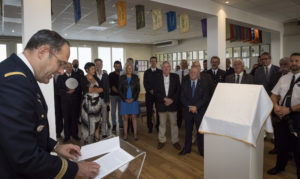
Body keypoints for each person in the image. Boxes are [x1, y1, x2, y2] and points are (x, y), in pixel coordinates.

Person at [0, 29, 99, 178]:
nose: (61, 71)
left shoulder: (22, 74)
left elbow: (30, 129)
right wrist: (76, 169)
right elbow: (24, 157)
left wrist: (55, 146)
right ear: (43, 52)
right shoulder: (14, 81)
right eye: (60, 63)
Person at [267, 53, 300, 178]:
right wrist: (275, 106)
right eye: (292, 61)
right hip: (281, 115)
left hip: (297, 116)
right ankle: (279, 167)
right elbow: (274, 94)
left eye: (297, 61)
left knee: (297, 147)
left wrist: (290, 109)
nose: (294, 63)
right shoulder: (284, 78)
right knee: (281, 144)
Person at [179, 66, 209, 156]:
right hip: (188, 111)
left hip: (199, 111)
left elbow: (205, 98)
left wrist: (196, 107)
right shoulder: (184, 83)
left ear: (198, 73)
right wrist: (190, 107)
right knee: (188, 131)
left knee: (200, 132)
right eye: (191, 72)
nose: (192, 74)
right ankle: (187, 149)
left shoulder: (204, 83)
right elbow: (182, 97)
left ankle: (202, 151)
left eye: (195, 72)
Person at [155, 61, 181, 151]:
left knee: (174, 124)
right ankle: (161, 140)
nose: (166, 68)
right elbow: (156, 92)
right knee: (162, 124)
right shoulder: (157, 78)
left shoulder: (175, 77)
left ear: (170, 68)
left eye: (168, 67)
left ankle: (175, 141)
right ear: (162, 68)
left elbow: (178, 90)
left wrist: (172, 100)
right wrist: (164, 99)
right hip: (161, 105)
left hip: (173, 105)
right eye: (164, 67)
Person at [268, 57, 291, 155]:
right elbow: (271, 90)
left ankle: (289, 151)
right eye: (281, 64)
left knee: (289, 133)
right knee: (277, 131)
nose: (283, 67)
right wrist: (275, 104)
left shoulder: (293, 77)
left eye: (285, 64)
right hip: (276, 107)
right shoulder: (275, 75)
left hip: (288, 109)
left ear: (290, 65)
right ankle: (277, 147)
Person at [80, 62, 103, 144]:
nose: (94, 70)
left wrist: (93, 89)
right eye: (92, 68)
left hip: (97, 103)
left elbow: (102, 89)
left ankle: (96, 136)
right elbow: (87, 90)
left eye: (94, 68)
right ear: (87, 70)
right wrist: (96, 89)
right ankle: (86, 138)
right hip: (87, 103)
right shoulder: (83, 78)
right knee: (86, 121)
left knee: (97, 120)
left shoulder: (96, 78)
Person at [57, 63, 81, 142]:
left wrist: (75, 90)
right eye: (67, 67)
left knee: (74, 118)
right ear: (65, 68)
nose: (69, 68)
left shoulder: (76, 76)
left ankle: (74, 134)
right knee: (66, 119)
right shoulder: (61, 77)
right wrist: (66, 92)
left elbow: (80, 87)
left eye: (70, 67)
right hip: (65, 101)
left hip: (75, 101)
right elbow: (58, 89)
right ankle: (66, 136)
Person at [119, 63, 140, 140]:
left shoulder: (135, 77)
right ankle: (125, 135)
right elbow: (120, 90)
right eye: (128, 68)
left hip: (133, 101)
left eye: (131, 68)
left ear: (133, 69)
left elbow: (138, 89)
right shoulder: (121, 77)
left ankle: (135, 135)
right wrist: (125, 99)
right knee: (125, 118)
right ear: (126, 69)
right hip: (124, 101)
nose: (130, 69)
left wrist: (133, 98)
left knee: (134, 118)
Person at [143, 56, 162, 133]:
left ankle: (158, 126)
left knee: (158, 111)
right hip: (149, 94)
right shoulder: (146, 72)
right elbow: (145, 83)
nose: (153, 62)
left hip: (158, 95)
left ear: (156, 62)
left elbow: (161, 83)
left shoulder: (160, 72)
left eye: (154, 61)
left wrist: (156, 91)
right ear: (150, 62)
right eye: (152, 61)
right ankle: (149, 126)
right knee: (149, 111)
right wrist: (150, 90)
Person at [94, 58, 110, 139]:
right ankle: (95, 132)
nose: (98, 66)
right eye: (97, 64)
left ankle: (104, 132)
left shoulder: (105, 75)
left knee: (104, 117)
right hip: (95, 100)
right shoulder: (93, 75)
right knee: (96, 117)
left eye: (100, 64)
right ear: (95, 65)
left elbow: (107, 88)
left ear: (102, 64)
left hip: (104, 99)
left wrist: (107, 100)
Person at [176, 59, 189, 128]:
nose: (183, 64)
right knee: (179, 110)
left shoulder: (190, 72)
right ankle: (179, 124)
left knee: (186, 110)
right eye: (182, 63)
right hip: (179, 94)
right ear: (180, 64)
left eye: (185, 63)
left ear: (187, 64)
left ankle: (187, 124)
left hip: (187, 94)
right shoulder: (177, 73)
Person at [109, 61, 122, 131]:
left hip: (121, 96)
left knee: (120, 111)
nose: (117, 67)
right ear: (114, 67)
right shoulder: (111, 75)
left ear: (120, 66)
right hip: (113, 95)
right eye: (116, 66)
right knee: (113, 111)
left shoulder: (123, 74)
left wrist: (122, 93)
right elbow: (112, 86)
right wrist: (119, 92)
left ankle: (121, 124)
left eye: (118, 66)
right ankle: (114, 124)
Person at [71, 59, 84, 124]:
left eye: (77, 62)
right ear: (72, 63)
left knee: (79, 106)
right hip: (72, 93)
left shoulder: (81, 71)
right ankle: (73, 119)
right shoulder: (70, 71)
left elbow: (82, 82)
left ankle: (78, 118)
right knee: (72, 107)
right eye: (74, 62)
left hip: (79, 93)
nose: (76, 63)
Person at [53, 73, 63, 138]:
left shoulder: (62, 75)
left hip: (61, 99)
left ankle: (60, 131)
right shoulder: (49, 75)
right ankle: (56, 131)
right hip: (52, 99)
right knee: (56, 116)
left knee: (60, 115)